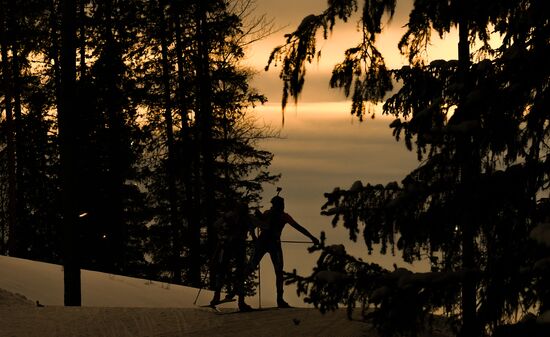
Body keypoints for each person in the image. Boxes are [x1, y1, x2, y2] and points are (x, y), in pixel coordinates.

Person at [249, 193, 319, 308]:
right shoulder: (281, 216)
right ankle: (279, 300)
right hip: (273, 244)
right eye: (281, 204)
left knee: (257, 268)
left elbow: (259, 223)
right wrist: (312, 238)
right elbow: (299, 227)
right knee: (277, 271)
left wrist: (311, 237)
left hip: (263, 243)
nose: (282, 206)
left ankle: (278, 299)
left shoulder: (271, 214)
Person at [209, 202, 256, 312]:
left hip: (227, 245)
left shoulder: (230, 215)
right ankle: (241, 301)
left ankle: (216, 297)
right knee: (240, 272)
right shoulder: (247, 218)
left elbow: (216, 225)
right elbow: (253, 229)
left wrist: (221, 236)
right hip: (238, 247)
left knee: (222, 269)